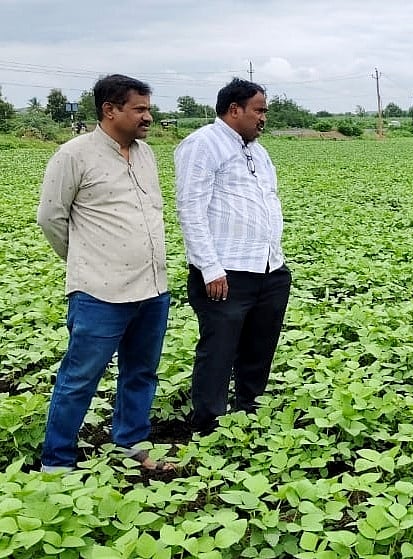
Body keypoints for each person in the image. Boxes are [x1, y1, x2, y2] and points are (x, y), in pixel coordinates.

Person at [36, 74, 172, 472]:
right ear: (109, 110)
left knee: (141, 373)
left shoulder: (146, 154)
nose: (148, 116)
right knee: (79, 378)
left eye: (148, 108)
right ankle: (57, 462)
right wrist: (84, 259)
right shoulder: (74, 155)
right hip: (99, 292)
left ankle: (131, 443)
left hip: (152, 288)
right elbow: (50, 218)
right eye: (139, 109)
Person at [175, 78, 291, 434]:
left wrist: (278, 263)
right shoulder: (202, 145)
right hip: (226, 272)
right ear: (234, 109)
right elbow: (191, 209)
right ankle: (209, 425)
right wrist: (210, 268)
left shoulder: (257, 149)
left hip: (268, 267)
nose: (264, 118)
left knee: (259, 348)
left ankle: (249, 411)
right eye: (259, 110)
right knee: (219, 350)